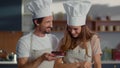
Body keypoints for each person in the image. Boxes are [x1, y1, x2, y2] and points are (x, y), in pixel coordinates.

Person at [54, 0, 102, 68]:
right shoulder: (63, 41)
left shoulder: (93, 39)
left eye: (75, 29)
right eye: (69, 28)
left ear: (83, 28)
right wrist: (78, 65)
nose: (72, 32)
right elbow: (56, 65)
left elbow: (97, 64)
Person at [16, 0, 59, 68]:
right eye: (48, 22)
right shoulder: (24, 42)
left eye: (51, 21)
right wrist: (41, 58)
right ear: (37, 22)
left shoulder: (54, 39)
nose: (51, 25)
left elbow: (57, 64)